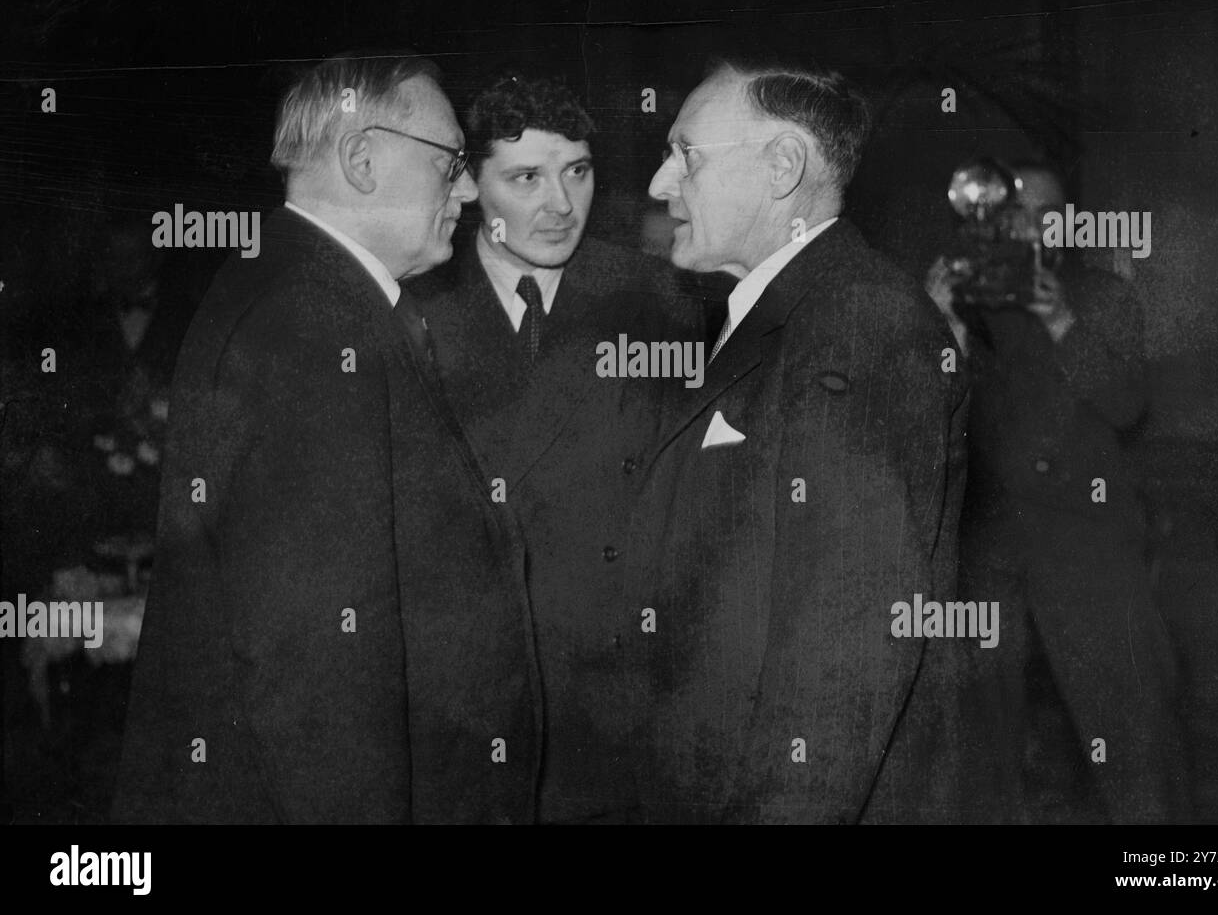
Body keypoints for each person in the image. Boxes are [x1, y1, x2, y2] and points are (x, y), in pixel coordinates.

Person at [113, 52, 541, 824]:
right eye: (450, 162)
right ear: (361, 159)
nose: (471, 188)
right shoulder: (313, 327)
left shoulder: (306, 293)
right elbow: (316, 674)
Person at [621, 56, 972, 823]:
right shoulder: (780, 310)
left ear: (783, 166)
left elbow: (845, 654)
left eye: (684, 154)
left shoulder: (858, 323)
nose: (658, 183)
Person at [407, 74, 707, 823]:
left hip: (621, 702)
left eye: (577, 171)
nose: (560, 206)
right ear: (471, 185)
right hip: (474, 708)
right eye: (526, 179)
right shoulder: (413, 313)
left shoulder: (655, 299)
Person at [925, 161, 1190, 822]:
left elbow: (1129, 405)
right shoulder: (972, 298)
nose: (1027, 224)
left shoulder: (1100, 295)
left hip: (1088, 541)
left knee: (1131, 730)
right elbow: (931, 413)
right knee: (983, 735)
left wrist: (1062, 318)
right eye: (1012, 212)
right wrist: (940, 324)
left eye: (1044, 212)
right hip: (990, 540)